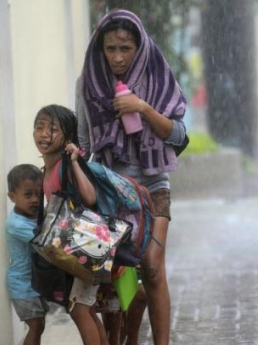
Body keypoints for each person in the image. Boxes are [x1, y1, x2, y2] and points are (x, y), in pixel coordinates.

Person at [75, 9, 188, 345]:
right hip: (111, 190)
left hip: (153, 186)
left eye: (126, 48)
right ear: (100, 49)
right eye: (111, 49)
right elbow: (84, 143)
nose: (118, 57)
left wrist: (142, 108)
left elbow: (180, 137)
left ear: (139, 47)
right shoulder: (88, 83)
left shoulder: (157, 76)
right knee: (115, 275)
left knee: (152, 267)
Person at [33, 104, 109, 345]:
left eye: (53, 129)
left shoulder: (66, 164)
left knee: (79, 309)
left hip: (87, 246)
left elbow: (90, 198)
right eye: (39, 127)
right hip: (76, 249)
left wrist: (75, 162)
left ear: (68, 136)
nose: (44, 134)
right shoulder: (48, 168)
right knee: (84, 308)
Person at [5, 164, 49, 345]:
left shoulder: (35, 215)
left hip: (35, 282)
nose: (35, 200)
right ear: (12, 197)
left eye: (39, 194)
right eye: (28, 194)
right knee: (36, 325)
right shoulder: (17, 224)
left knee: (40, 325)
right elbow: (44, 243)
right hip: (22, 284)